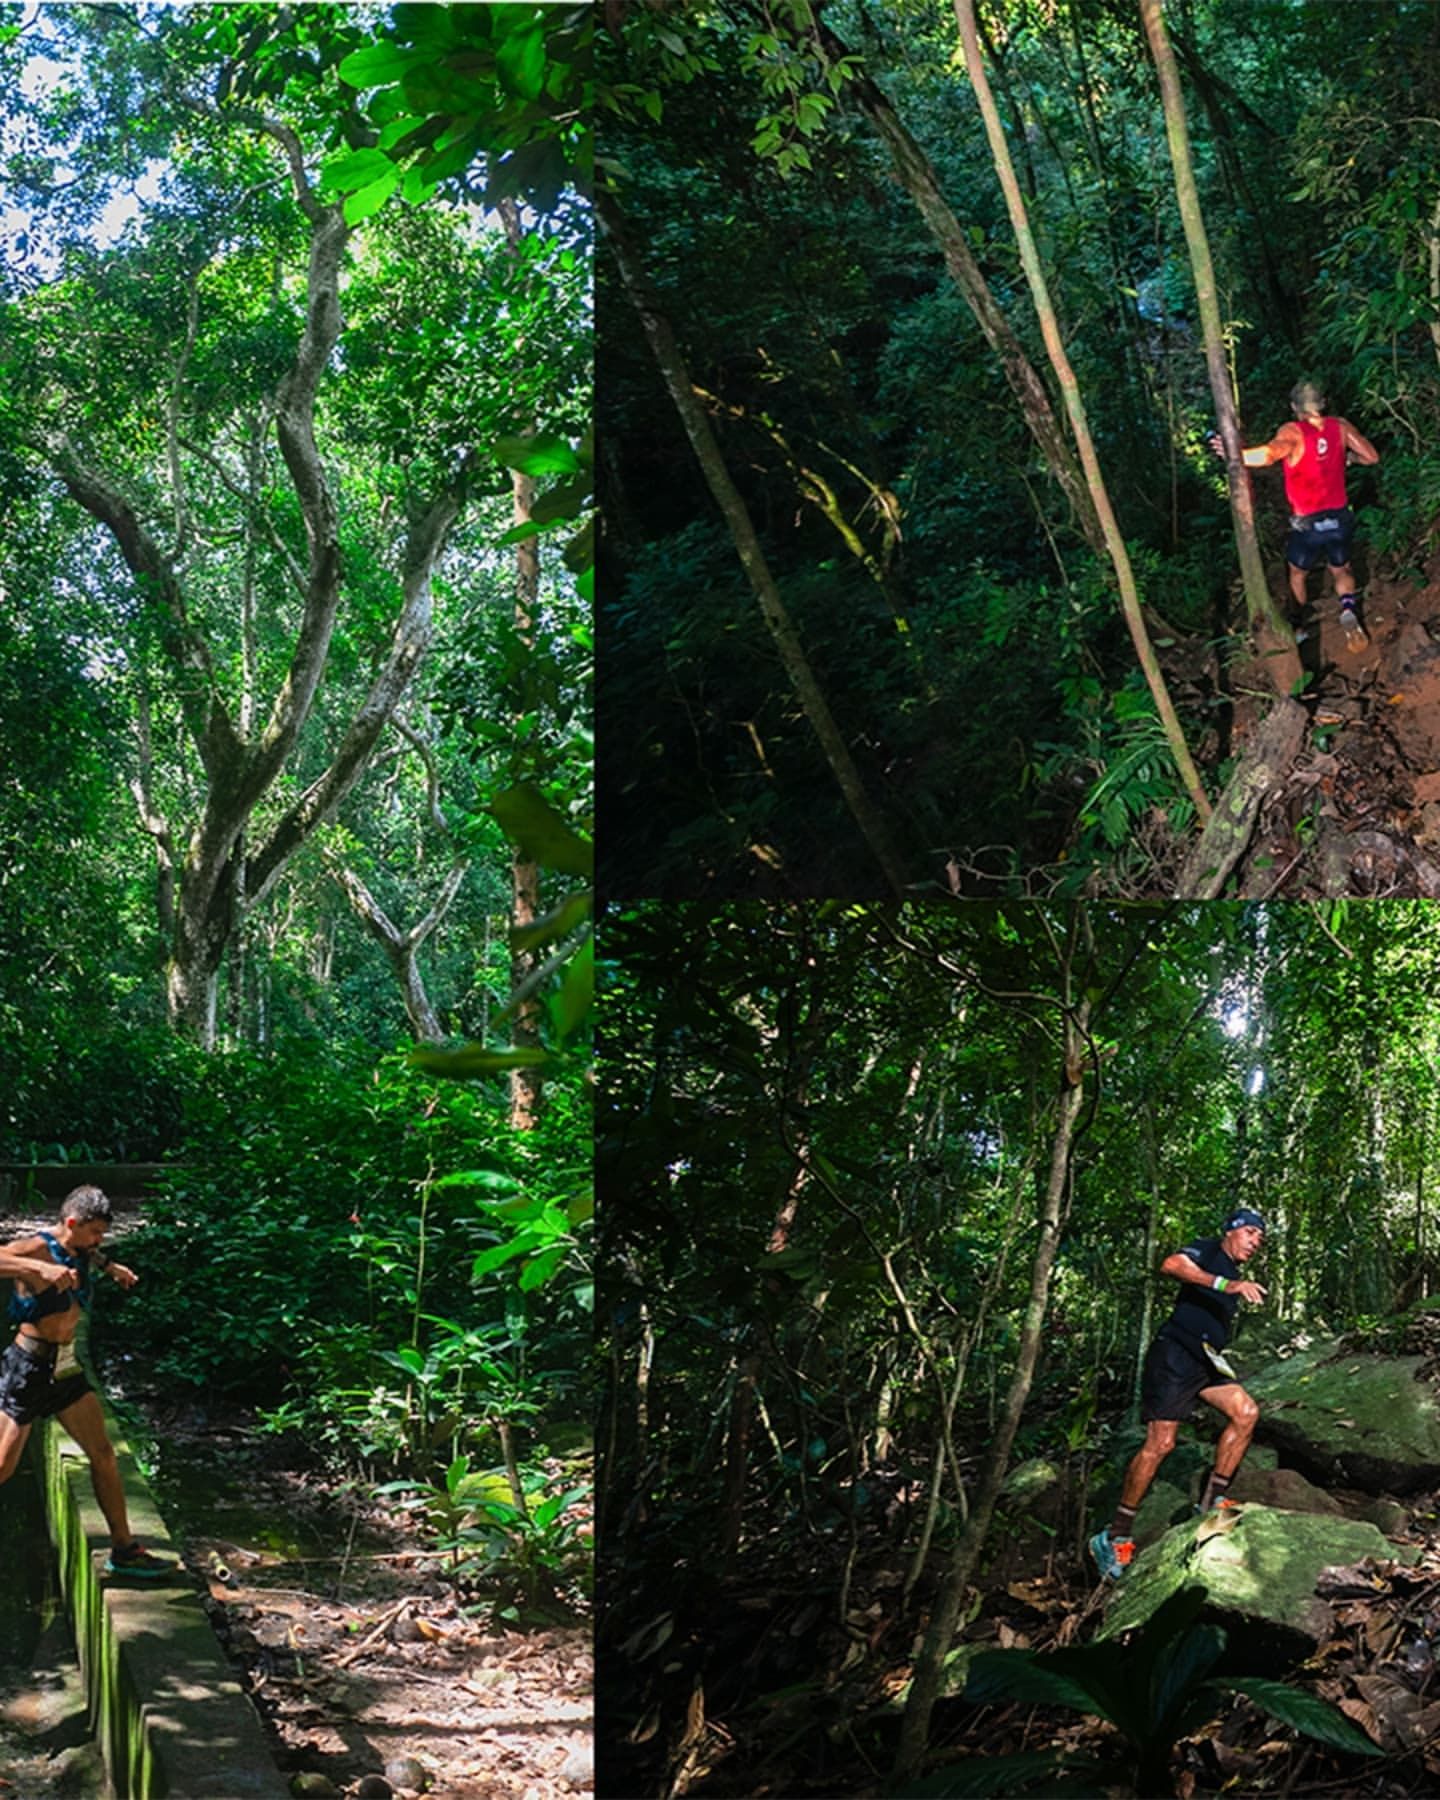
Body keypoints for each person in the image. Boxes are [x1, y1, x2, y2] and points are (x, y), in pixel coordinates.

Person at [0, 1185, 171, 1578]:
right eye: (95, 1232)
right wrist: (35, 1269)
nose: (99, 1240)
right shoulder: (36, 1248)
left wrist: (109, 1265)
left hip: (66, 1371)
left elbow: (88, 1253)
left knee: (104, 1454)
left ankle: (125, 1549)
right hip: (26, 1370)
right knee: (3, 1468)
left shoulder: (80, 1249)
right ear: (72, 1223)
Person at [1089, 1207, 1268, 1581]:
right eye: (1251, 1233)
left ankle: (1212, 1504)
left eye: (1259, 1238)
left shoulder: (1234, 1272)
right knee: (1161, 1444)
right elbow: (1171, 1265)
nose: (1256, 1242)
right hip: (1175, 1353)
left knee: (1246, 1413)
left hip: (1207, 1363)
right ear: (1232, 1230)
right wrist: (1225, 1285)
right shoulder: (1208, 1251)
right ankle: (1115, 1534)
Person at [1211, 381, 1380, 649]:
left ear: (1294, 407)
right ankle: (1348, 609)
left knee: (1297, 574)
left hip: (1308, 524)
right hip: (1339, 517)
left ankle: (1299, 626)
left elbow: (1268, 454)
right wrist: (1350, 459)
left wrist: (1236, 456)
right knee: (1341, 568)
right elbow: (1371, 457)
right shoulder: (1342, 427)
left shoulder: (1293, 431)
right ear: (1323, 404)